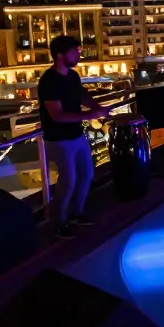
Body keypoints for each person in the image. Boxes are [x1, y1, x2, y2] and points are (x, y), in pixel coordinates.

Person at [38, 36, 110, 239]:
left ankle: (76, 214)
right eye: (75, 51)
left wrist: (96, 107)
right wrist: (91, 115)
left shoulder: (72, 76)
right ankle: (58, 222)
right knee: (68, 180)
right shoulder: (49, 81)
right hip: (59, 139)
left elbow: (82, 95)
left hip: (76, 135)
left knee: (86, 174)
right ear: (60, 55)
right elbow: (57, 115)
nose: (79, 54)